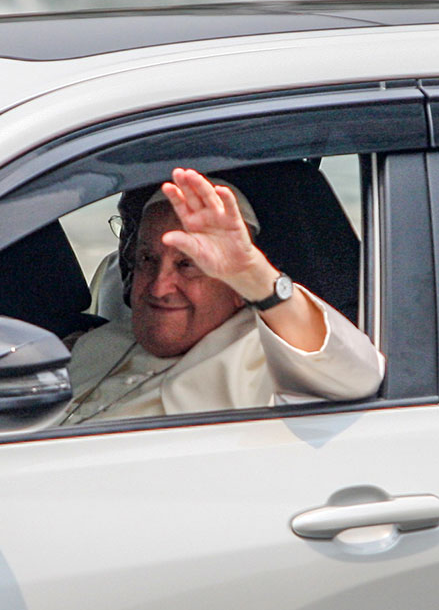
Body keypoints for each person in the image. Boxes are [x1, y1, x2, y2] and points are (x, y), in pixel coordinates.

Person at [61, 167, 385, 424]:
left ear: (236, 289)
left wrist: (254, 275)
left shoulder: (268, 359)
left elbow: (358, 376)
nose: (159, 287)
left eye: (188, 264)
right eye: (148, 259)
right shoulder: (98, 342)